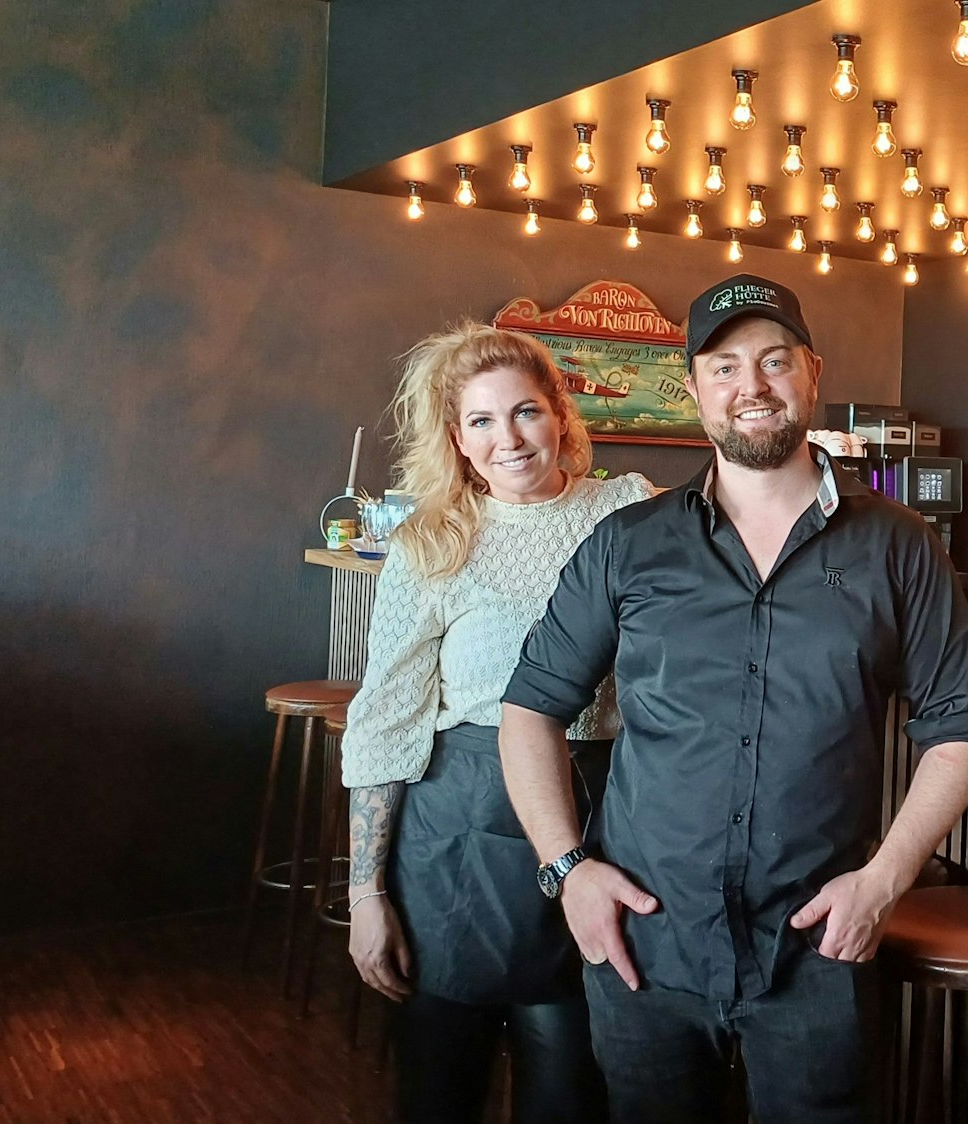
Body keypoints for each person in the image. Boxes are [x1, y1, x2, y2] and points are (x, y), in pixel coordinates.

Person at [497, 274, 968, 1124]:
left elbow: (957, 728)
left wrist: (883, 880)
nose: (751, 386)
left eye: (773, 361)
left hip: (818, 943)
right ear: (693, 390)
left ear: (812, 372)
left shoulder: (899, 548)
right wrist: (567, 870)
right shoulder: (627, 544)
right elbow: (529, 706)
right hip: (644, 941)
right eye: (723, 368)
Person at [341, 321, 650, 1124]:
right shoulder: (433, 541)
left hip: (603, 810)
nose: (508, 438)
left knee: (573, 1071)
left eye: (524, 412)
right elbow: (384, 722)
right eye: (481, 421)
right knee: (443, 1074)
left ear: (559, 414)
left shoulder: (628, 512)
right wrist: (365, 892)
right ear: (457, 439)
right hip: (463, 825)